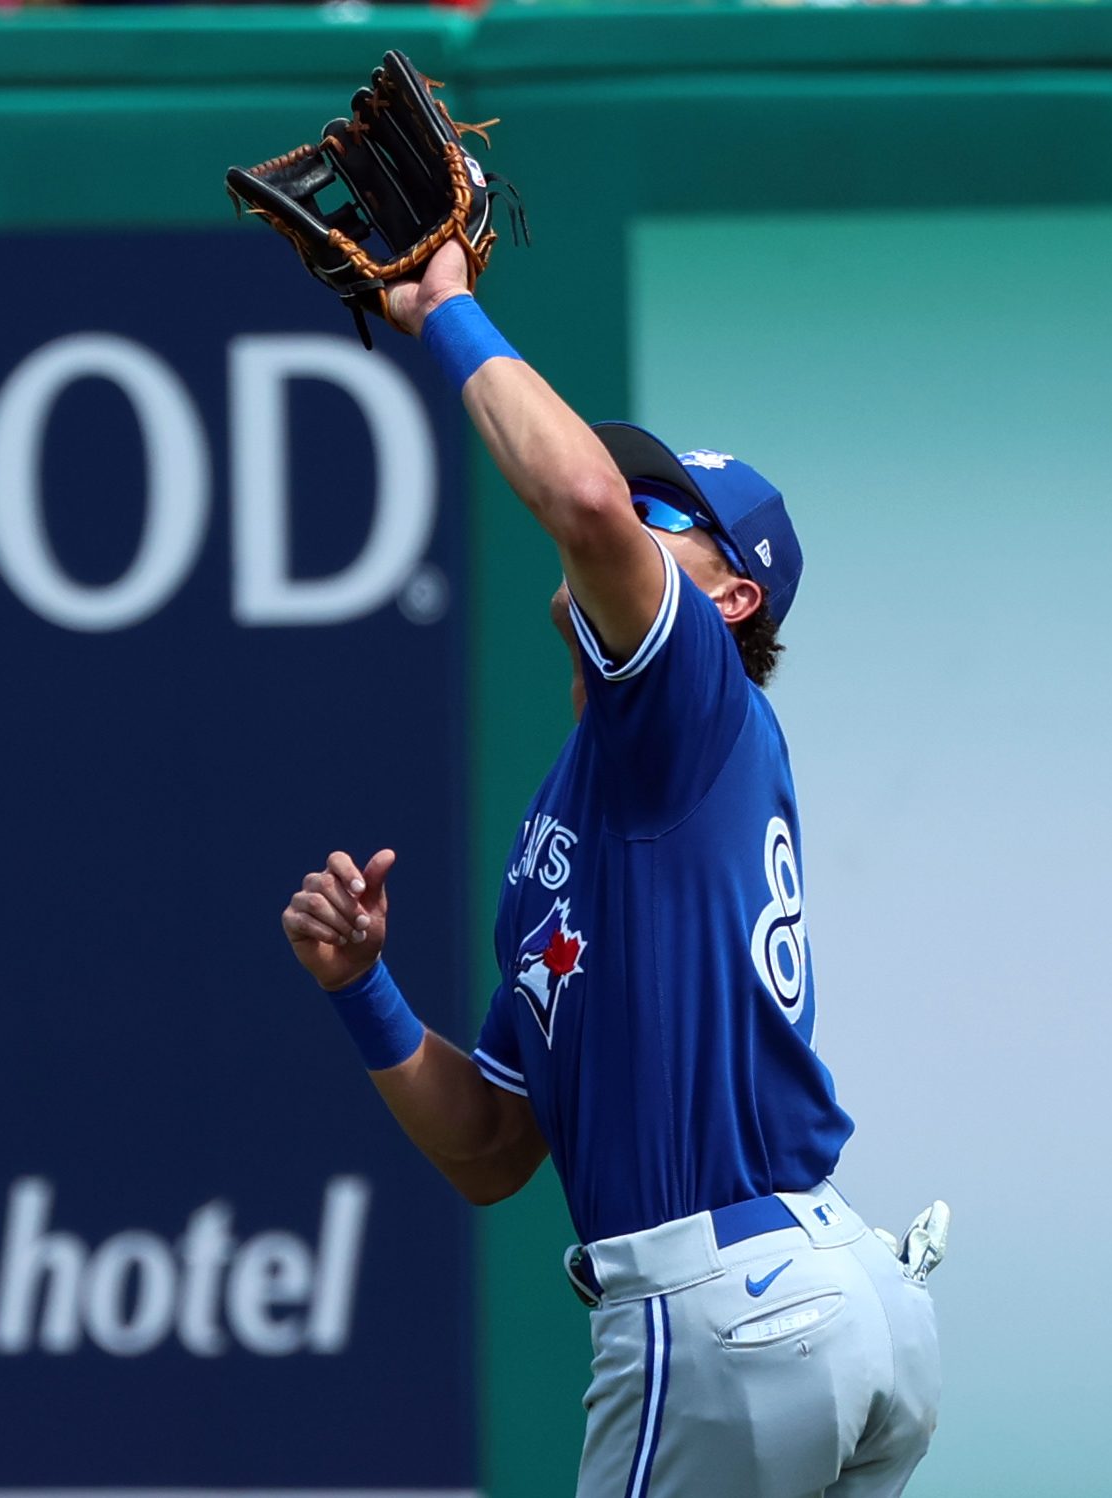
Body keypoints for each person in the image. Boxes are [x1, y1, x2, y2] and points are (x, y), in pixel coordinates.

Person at [279, 239, 941, 1497]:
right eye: (638, 499)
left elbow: (579, 500)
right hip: (831, 1299)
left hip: (725, 1312)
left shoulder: (689, 697)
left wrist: (447, 311)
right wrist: (363, 988)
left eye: (664, 513)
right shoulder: (591, 808)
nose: (625, 513)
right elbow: (489, 1147)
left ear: (730, 602)